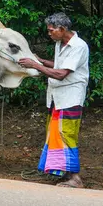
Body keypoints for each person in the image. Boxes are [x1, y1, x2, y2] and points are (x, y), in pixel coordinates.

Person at [18, 12, 89, 188]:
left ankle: (75, 178)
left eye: (51, 30)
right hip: (58, 97)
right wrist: (39, 60)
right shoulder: (60, 43)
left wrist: (35, 65)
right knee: (56, 134)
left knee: (67, 135)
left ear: (62, 29)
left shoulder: (79, 46)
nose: (49, 33)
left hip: (70, 97)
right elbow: (58, 66)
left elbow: (61, 74)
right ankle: (64, 174)